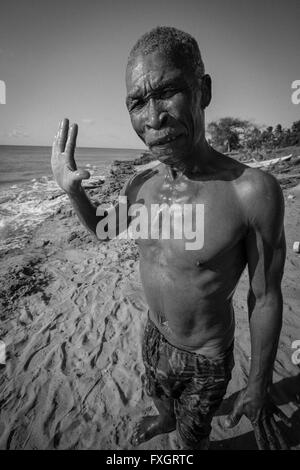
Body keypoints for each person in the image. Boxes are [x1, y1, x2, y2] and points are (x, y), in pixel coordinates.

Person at [51, 26, 289, 450]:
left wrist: (258, 385)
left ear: (204, 90)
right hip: (153, 334)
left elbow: (267, 297)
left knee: (190, 440)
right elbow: (105, 230)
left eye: (168, 92)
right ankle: (163, 416)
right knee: (159, 393)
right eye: (137, 102)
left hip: (206, 357)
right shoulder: (141, 185)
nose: (153, 118)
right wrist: (73, 190)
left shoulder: (251, 192)